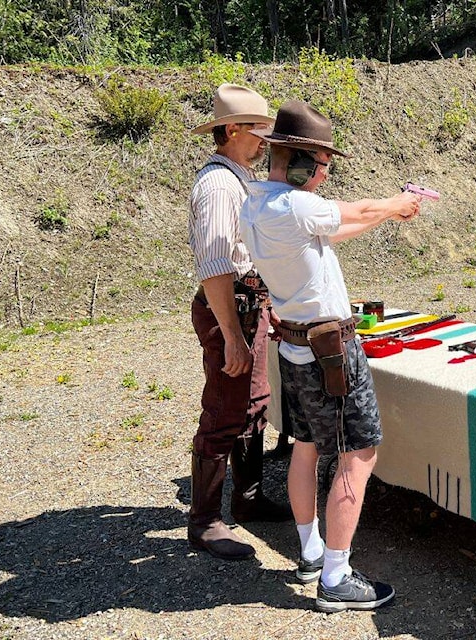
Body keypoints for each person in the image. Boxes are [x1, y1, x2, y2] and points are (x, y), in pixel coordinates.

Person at [239, 100, 421, 612]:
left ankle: (312, 551)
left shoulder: (257, 202)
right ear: (296, 161)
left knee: (303, 445)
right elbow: (354, 210)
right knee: (357, 453)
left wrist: (386, 214)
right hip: (331, 351)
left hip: (296, 343)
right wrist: (394, 202)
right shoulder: (295, 204)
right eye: (319, 164)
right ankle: (337, 578)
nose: (322, 174)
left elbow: (334, 227)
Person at [186, 84, 293, 562]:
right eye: (257, 131)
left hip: (249, 306)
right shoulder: (216, 185)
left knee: (254, 405)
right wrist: (231, 335)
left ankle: (247, 502)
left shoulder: (237, 179)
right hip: (232, 309)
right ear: (232, 130)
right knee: (226, 411)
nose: (264, 141)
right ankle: (204, 522)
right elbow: (214, 266)